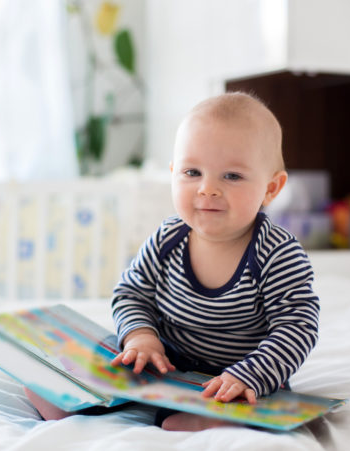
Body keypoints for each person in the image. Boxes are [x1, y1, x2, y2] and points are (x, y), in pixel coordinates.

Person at [26, 92, 320, 431]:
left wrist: (251, 375)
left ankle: (213, 419)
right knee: (118, 365)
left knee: (219, 405)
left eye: (232, 176)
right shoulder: (168, 238)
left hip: (237, 373)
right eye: (192, 172)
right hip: (164, 360)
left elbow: (297, 326)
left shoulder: (276, 253)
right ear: (173, 173)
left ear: (271, 188)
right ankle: (78, 400)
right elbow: (131, 293)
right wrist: (140, 336)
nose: (207, 189)